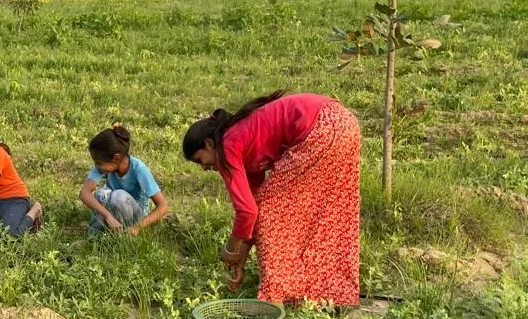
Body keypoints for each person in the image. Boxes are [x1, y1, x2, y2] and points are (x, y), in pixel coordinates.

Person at [182, 91, 360, 306]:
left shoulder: (227, 146)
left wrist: (230, 249)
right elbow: (252, 205)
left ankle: (276, 297)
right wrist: (241, 256)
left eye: (200, 159)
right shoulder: (242, 141)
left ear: (209, 144)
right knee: (325, 213)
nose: (203, 167)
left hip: (320, 129)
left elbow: (249, 212)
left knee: (272, 211)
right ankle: (328, 293)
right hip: (344, 123)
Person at [79, 125, 168, 234]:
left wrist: (137, 227)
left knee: (118, 196)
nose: (96, 166)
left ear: (116, 158)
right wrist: (108, 216)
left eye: (98, 162)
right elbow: (84, 193)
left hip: (136, 217)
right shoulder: (104, 168)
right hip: (115, 210)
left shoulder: (139, 169)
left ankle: (121, 236)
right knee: (100, 195)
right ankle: (94, 236)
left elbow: (163, 207)